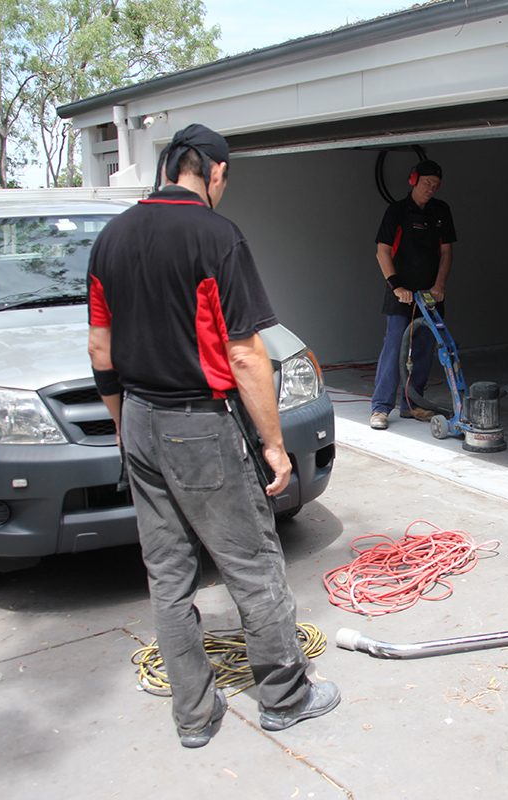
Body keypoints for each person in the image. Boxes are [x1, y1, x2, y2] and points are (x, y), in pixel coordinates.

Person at [87, 124, 339, 748]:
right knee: (252, 563)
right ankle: (286, 696)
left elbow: (99, 346)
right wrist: (275, 444)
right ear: (214, 171)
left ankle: (194, 717)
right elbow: (248, 355)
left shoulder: (112, 238)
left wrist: (125, 428)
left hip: (140, 419)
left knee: (168, 576)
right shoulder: (216, 236)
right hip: (198, 424)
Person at [369, 159, 457, 430]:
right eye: (426, 182)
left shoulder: (441, 211)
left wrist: (440, 286)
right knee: (394, 348)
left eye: (435, 184)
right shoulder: (396, 211)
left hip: (430, 294)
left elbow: (446, 253)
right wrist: (396, 286)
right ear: (414, 181)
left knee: (424, 348)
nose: (431, 188)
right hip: (401, 294)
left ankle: (412, 404)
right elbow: (382, 251)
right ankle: (380, 407)